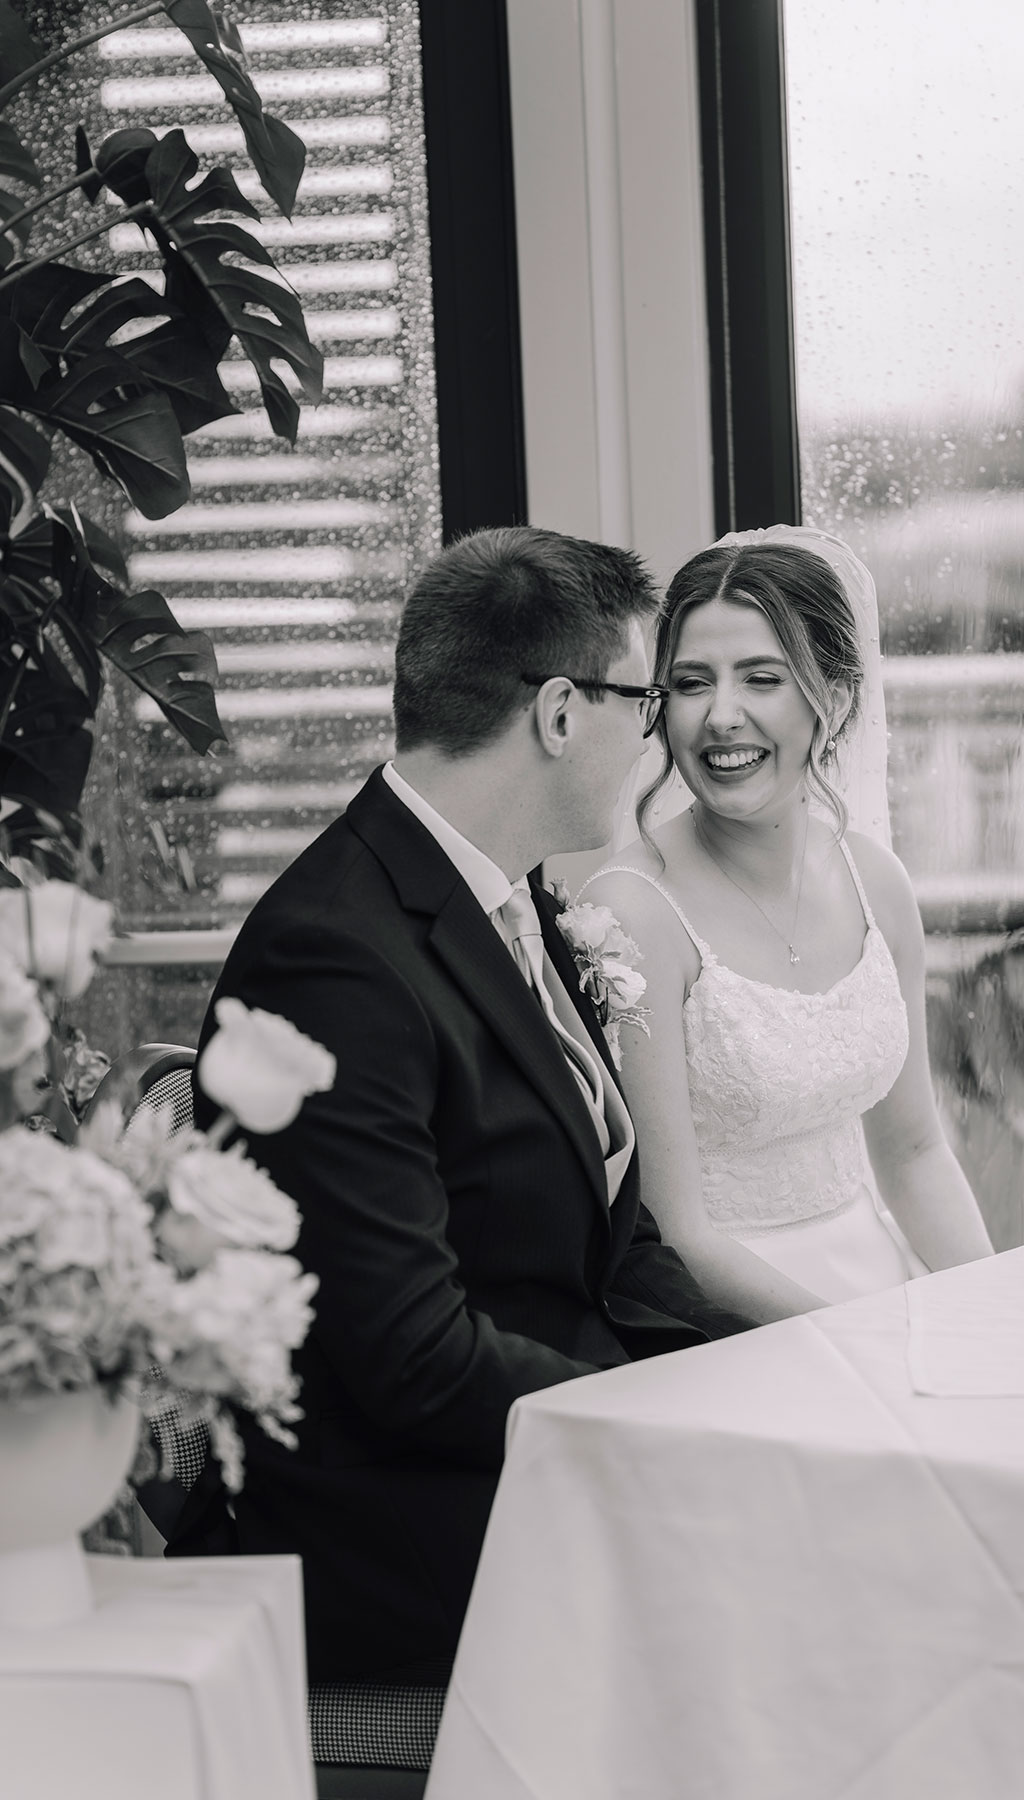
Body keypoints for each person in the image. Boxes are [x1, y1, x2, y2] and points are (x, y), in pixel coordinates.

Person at [169, 526, 756, 1684]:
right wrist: (670, 1436)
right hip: (424, 1528)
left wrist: (754, 1383)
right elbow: (412, 1358)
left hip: (550, 1448)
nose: (655, 742)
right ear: (557, 713)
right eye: (644, 703)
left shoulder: (511, 898)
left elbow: (615, 1244)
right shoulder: (334, 958)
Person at [583, 525, 993, 1324]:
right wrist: (853, 1349)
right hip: (728, 1325)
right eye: (692, 683)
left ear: (833, 698)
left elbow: (912, 1153)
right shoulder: (627, 917)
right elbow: (676, 1232)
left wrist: (990, 1309)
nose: (720, 716)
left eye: (761, 678)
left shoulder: (877, 881)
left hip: (877, 1283)